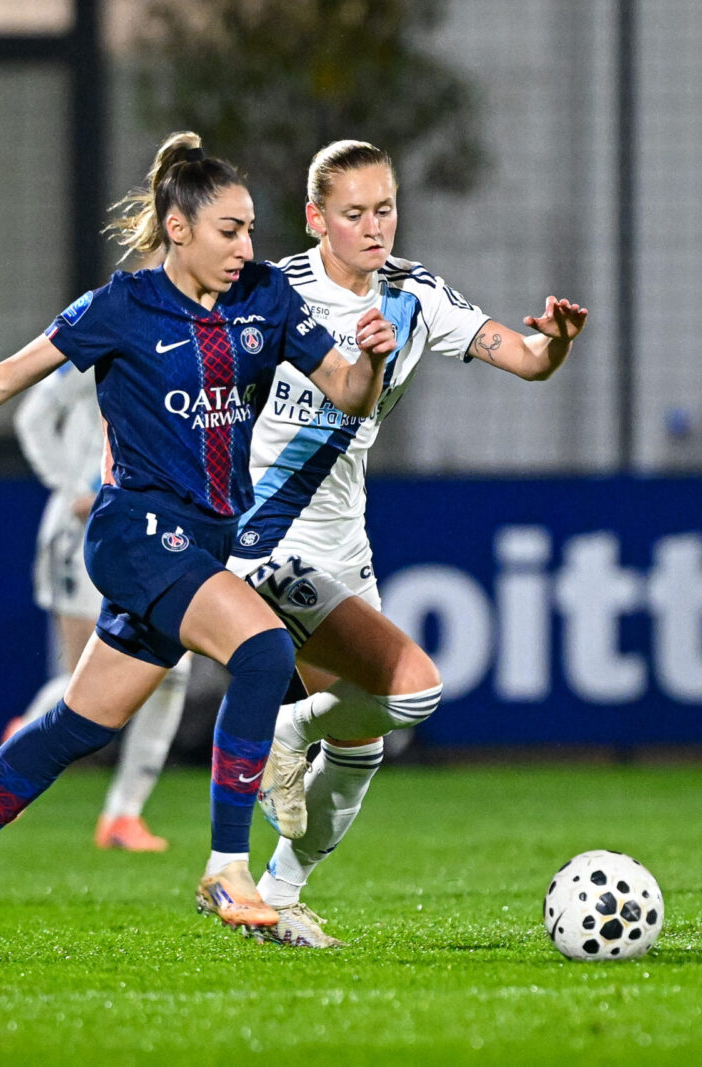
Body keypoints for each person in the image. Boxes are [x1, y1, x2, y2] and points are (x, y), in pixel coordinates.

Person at [0, 131, 397, 961]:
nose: (247, 246)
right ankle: (227, 867)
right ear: (178, 227)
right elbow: (2, 377)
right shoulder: (120, 308)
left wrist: (370, 362)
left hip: (199, 547)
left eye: (252, 229)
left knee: (78, 723)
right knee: (264, 648)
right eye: (230, 230)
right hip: (135, 538)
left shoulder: (267, 298)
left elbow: (344, 389)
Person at [227, 140, 588, 948]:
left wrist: (556, 341)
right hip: (261, 539)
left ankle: (277, 896)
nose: (373, 226)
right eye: (353, 213)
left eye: (384, 208)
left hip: (342, 545)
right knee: (417, 690)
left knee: (366, 742)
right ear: (316, 218)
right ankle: (284, 735)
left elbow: (527, 360)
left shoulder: (416, 297)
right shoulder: (269, 293)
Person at [9, 361, 192, 852]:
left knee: (172, 672)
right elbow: (32, 416)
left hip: (157, 532)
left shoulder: (204, 342)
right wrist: (73, 487)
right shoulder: (103, 334)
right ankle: (19, 751)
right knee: (88, 676)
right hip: (85, 532)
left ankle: (123, 816)